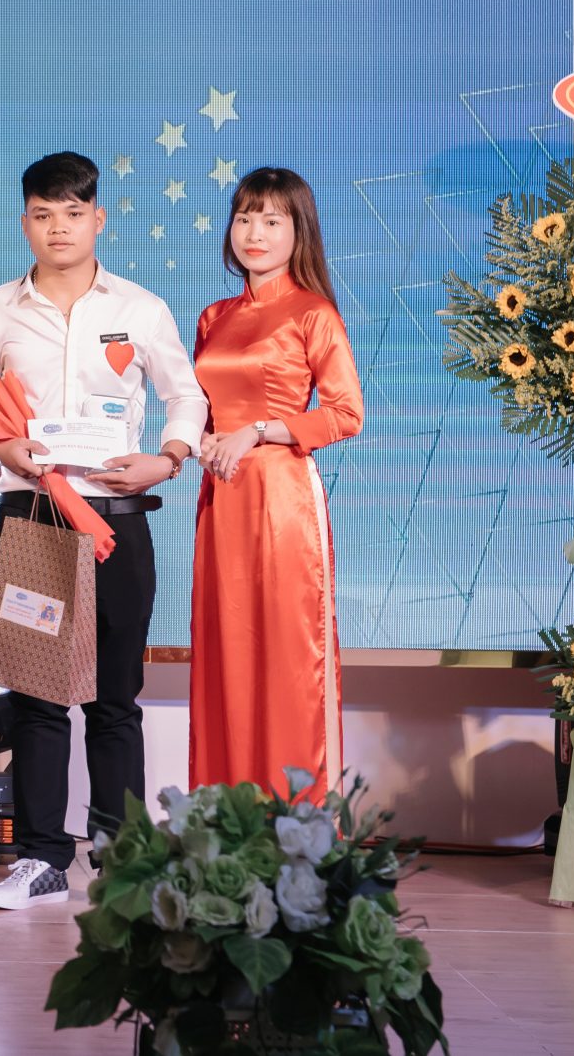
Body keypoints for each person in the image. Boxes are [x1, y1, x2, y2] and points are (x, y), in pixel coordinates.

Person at [0, 152, 206, 909]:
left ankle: (121, 857)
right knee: (35, 696)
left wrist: (168, 458)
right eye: (43, 214)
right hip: (33, 517)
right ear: (24, 221)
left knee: (114, 697)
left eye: (73, 213)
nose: (58, 228)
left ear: (99, 218)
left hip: (116, 521)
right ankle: (40, 858)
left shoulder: (140, 308)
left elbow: (186, 394)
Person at [189, 167, 364, 801]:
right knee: (225, 654)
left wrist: (259, 431)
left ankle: (297, 823)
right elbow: (204, 409)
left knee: (288, 658)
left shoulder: (314, 313)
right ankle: (224, 821)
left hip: (283, 499)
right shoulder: (214, 316)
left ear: (299, 231)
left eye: (271, 220)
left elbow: (346, 414)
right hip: (222, 499)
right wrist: (202, 440)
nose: (254, 233)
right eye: (244, 219)